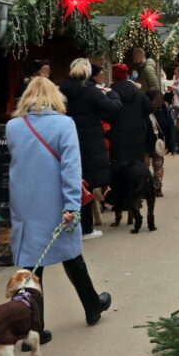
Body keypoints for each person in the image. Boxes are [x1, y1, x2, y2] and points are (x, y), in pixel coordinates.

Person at [6, 77, 112, 338]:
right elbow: (70, 168)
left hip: (25, 204)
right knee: (72, 256)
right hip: (56, 202)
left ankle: (33, 325)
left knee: (31, 265)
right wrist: (72, 204)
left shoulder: (12, 127)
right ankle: (91, 305)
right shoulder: (65, 124)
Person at [59, 58, 121, 240]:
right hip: (91, 143)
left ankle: (73, 225)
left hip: (68, 140)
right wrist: (112, 94)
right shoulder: (91, 91)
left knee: (74, 182)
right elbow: (114, 109)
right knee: (87, 184)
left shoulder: (62, 90)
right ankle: (86, 228)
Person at [108, 64, 151, 163]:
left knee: (120, 167)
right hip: (137, 134)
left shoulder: (112, 92)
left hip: (119, 136)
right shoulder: (136, 90)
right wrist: (138, 117)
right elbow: (149, 107)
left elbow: (107, 112)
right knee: (137, 166)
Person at [145, 89, 172, 196]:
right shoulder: (144, 111)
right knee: (145, 166)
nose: (159, 101)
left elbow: (169, 129)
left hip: (158, 145)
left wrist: (170, 146)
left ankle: (157, 187)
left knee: (158, 166)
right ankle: (146, 187)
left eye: (160, 99)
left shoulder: (164, 111)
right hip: (145, 144)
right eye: (156, 99)